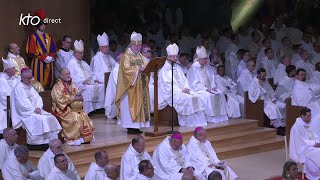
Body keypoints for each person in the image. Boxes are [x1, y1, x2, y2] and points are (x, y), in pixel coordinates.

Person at [158, 43, 207, 127]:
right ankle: (188, 123)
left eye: (176, 56)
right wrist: (181, 90)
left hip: (182, 90)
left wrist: (186, 88)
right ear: (168, 57)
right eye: (173, 56)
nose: (175, 58)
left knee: (196, 96)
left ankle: (198, 122)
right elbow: (167, 86)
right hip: (173, 93)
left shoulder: (177, 67)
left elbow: (185, 80)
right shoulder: (164, 70)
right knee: (187, 98)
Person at [10, 68, 62, 146]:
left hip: (35, 111)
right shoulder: (18, 88)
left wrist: (38, 107)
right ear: (22, 78)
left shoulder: (30, 87)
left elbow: (38, 99)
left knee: (51, 117)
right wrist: (34, 109)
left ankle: (52, 142)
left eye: (31, 78)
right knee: (42, 119)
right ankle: (38, 143)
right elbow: (21, 104)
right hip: (25, 113)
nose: (30, 80)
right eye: (28, 78)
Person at [115, 32, 151, 134]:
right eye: (136, 45)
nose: (138, 47)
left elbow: (145, 66)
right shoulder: (126, 56)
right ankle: (130, 126)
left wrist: (146, 69)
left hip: (140, 86)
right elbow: (126, 71)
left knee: (139, 106)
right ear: (132, 45)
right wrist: (137, 71)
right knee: (129, 107)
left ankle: (136, 126)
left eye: (139, 45)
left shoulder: (139, 55)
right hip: (129, 88)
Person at [51, 67, 95, 145]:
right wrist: (73, 98)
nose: (68, 75)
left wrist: (80, 97)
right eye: (66, 74)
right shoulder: (57, 87)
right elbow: (59, 101)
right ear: (61, 75)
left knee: (83, 115)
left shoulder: (71, 84)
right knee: (75, 116)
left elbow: (76, 93)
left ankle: (84, 137)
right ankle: (74, 138)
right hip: (62, 110)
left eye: (69, 73)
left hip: (73, 108)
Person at [187, 46, 228, 123]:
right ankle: (211, 118)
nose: (207, 60)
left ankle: (220, 117)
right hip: (199, 90)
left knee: (220, 93)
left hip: (209, 89)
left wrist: (213, 87)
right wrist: (206, 89)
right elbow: (194, 83)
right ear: (199, 59)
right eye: (205, 59)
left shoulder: (207, 67)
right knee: (208, 96)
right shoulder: (193, 68)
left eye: (206, 58)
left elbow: (212, 78)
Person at [67, 39, 105, 114]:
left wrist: (95, 79)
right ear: (75, 53)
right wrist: (82, 81)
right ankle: (88, 110)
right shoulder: (71, 63)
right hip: (78, 84)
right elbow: (70, 76)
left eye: (82, 53)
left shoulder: (84, 62)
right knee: (86, 88)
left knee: (102, 86)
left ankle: (98, 108)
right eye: (80, 53)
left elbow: (91, 73)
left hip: (89, 82)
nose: (82, 55)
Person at [26, 9, 57, 89]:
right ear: (37, 25)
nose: (43, 26)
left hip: (49, 62)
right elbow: (32, 51)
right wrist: (44, 57)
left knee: (48, 81)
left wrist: (51, 56)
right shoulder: (33, 37)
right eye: (41, 24)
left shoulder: (49, 36)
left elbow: (53, 49)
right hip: (38, 62)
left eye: (44, 24)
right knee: (38, 82)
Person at [248, 68, 285, 134]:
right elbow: (252, 95)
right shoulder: (253, 83)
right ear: (258, 75)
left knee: (283, 106)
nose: (264, 77)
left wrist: (273, 99)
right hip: (262, 102)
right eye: (263, 76)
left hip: (270, 100)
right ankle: (278, 128)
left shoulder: (265, 81)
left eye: (265, 75)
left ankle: (283, 125)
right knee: (274, 108)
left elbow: (271, 91)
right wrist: (261, 87)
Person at [289, 108, 320, 180]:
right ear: (302, 116)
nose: (310, 118)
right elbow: (300, 143)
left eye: (310, 115)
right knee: (318, 152)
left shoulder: (309, 123)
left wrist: (317, 141)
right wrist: (314, 143)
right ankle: (315, 175)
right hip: (302, 150)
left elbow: (315, 135)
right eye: (308, 116)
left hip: (311, 147)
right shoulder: (297, 127)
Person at [0, 58, 18, 133]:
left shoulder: (13, 78)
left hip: (15, 103)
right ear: (7, 70)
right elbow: (3, 97)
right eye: (13, 68)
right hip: (4, 107)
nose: (15, 70)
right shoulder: (2, 80)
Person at [105, 53, 122, 119]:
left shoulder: (120, 68)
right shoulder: (116, 69)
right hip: (116, 91)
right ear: (120, 60)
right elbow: (117, 83)